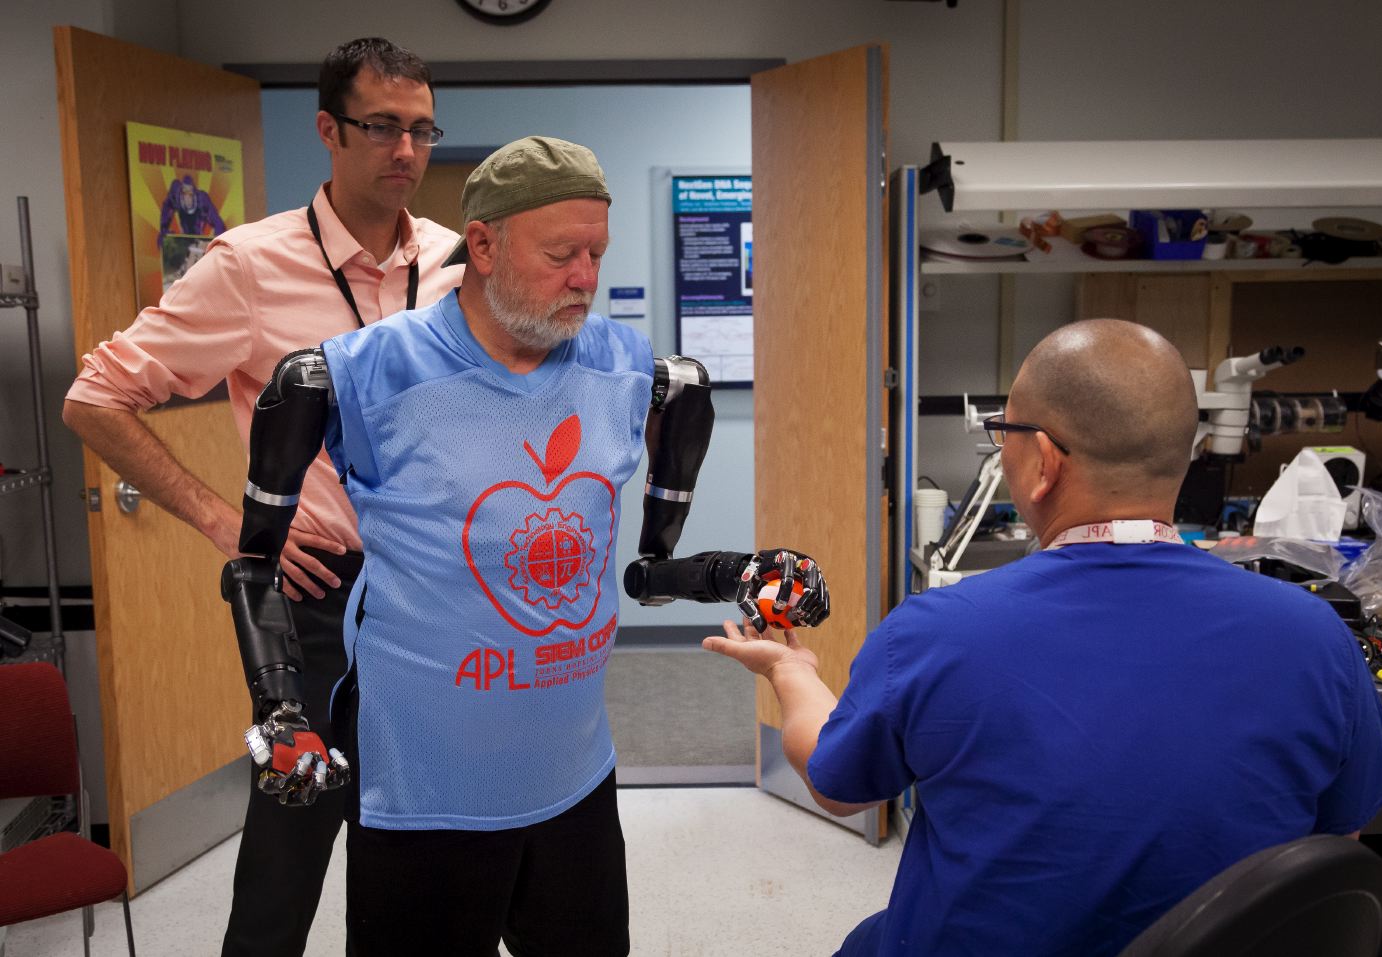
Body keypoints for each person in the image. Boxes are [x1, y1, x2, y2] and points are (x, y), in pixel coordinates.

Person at [219, 135, 828, 956]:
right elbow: (254, 563)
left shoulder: (633, 369)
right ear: (482, 244)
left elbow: (642, 574)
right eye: (561, 254)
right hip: (422, 790)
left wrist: (734, 573)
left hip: (571, 777)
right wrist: (279, 712)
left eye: (596, 254)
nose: (586, 276)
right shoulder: (359, 375)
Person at [703, 318, 1382, 957]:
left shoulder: (940, 630)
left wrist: (792, 674)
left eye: (1002, 431)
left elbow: (838, 784)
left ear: (1043, 460)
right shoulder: (1315, 636)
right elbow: (1339, 843)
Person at [61, 37, 462, 957]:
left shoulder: (450, 262)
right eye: (381, 128)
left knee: (415, 856)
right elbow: (95, 399)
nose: (405, 150)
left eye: (421, 130)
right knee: (285, 860)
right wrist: (228, 522)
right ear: (328, 130)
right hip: (316, 600)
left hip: (433, 600)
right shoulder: (248, 264)